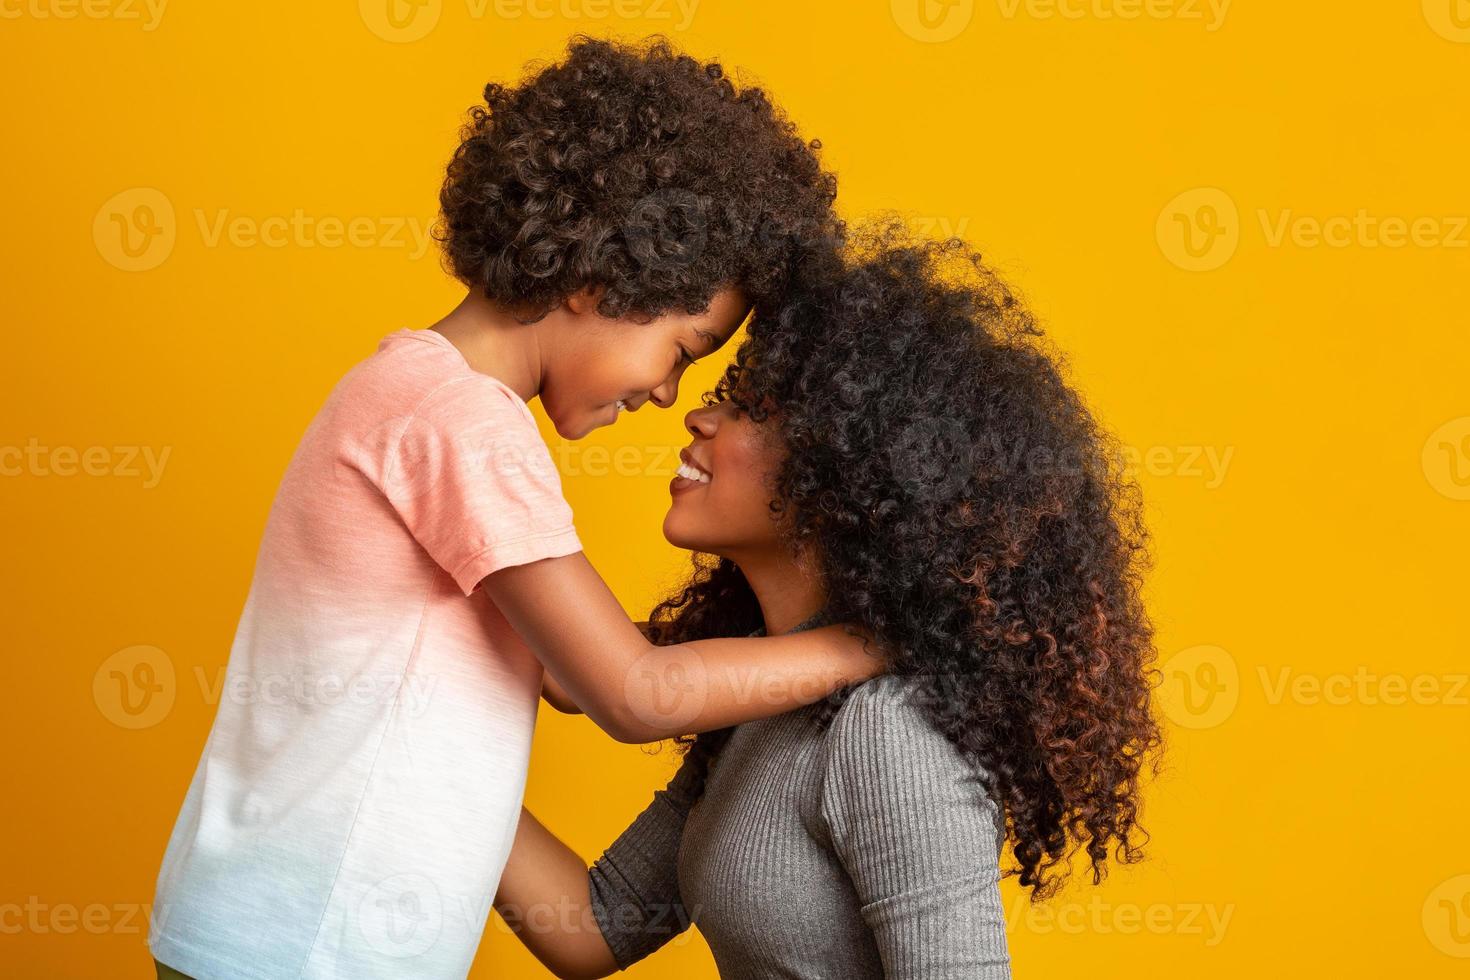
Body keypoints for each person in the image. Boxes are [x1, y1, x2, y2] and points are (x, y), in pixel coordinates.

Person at [147, 38, 881, 980]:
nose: (670, 394)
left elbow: (571, 679)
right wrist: (867, 645)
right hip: (311, 943)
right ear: (602, 277)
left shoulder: (422, 404)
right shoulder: (459, 422)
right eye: (686, 349)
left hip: (283, 933)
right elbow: (628, 693)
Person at [493, 229, 1165, 979]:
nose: (697, 417)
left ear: (843, 471)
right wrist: (433, 761)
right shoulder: (763, 694)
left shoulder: (886, 728)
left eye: (750, 407)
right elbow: (597, 924)